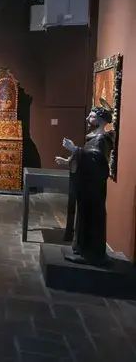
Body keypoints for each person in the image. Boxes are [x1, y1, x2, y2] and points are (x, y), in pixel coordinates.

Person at [55, 106, 114, 265]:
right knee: (84, 216)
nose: (88, 118)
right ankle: (81, 248)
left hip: (94, 187)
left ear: (101, 120)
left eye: (92, 116)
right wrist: (67, 160)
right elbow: (87, 156)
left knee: (92, 217)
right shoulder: (94, 137)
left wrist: (75, 149)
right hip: (87, 184)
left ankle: (91, 252)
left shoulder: (102, 139)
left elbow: (97, 159)